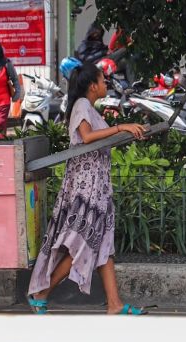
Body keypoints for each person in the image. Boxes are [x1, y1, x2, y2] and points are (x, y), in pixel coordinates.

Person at [27, 62, 149, 315]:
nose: (106, 84)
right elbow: (87, 137)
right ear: (93, 86)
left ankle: (114, 304)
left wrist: (129, 131)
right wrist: (121, 127)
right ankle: (41, 293)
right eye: (103, 80)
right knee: (83, 242)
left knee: (103, 244)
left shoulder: (89, 107)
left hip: (98, 186)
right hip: (86, 188)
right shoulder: (82, 104)